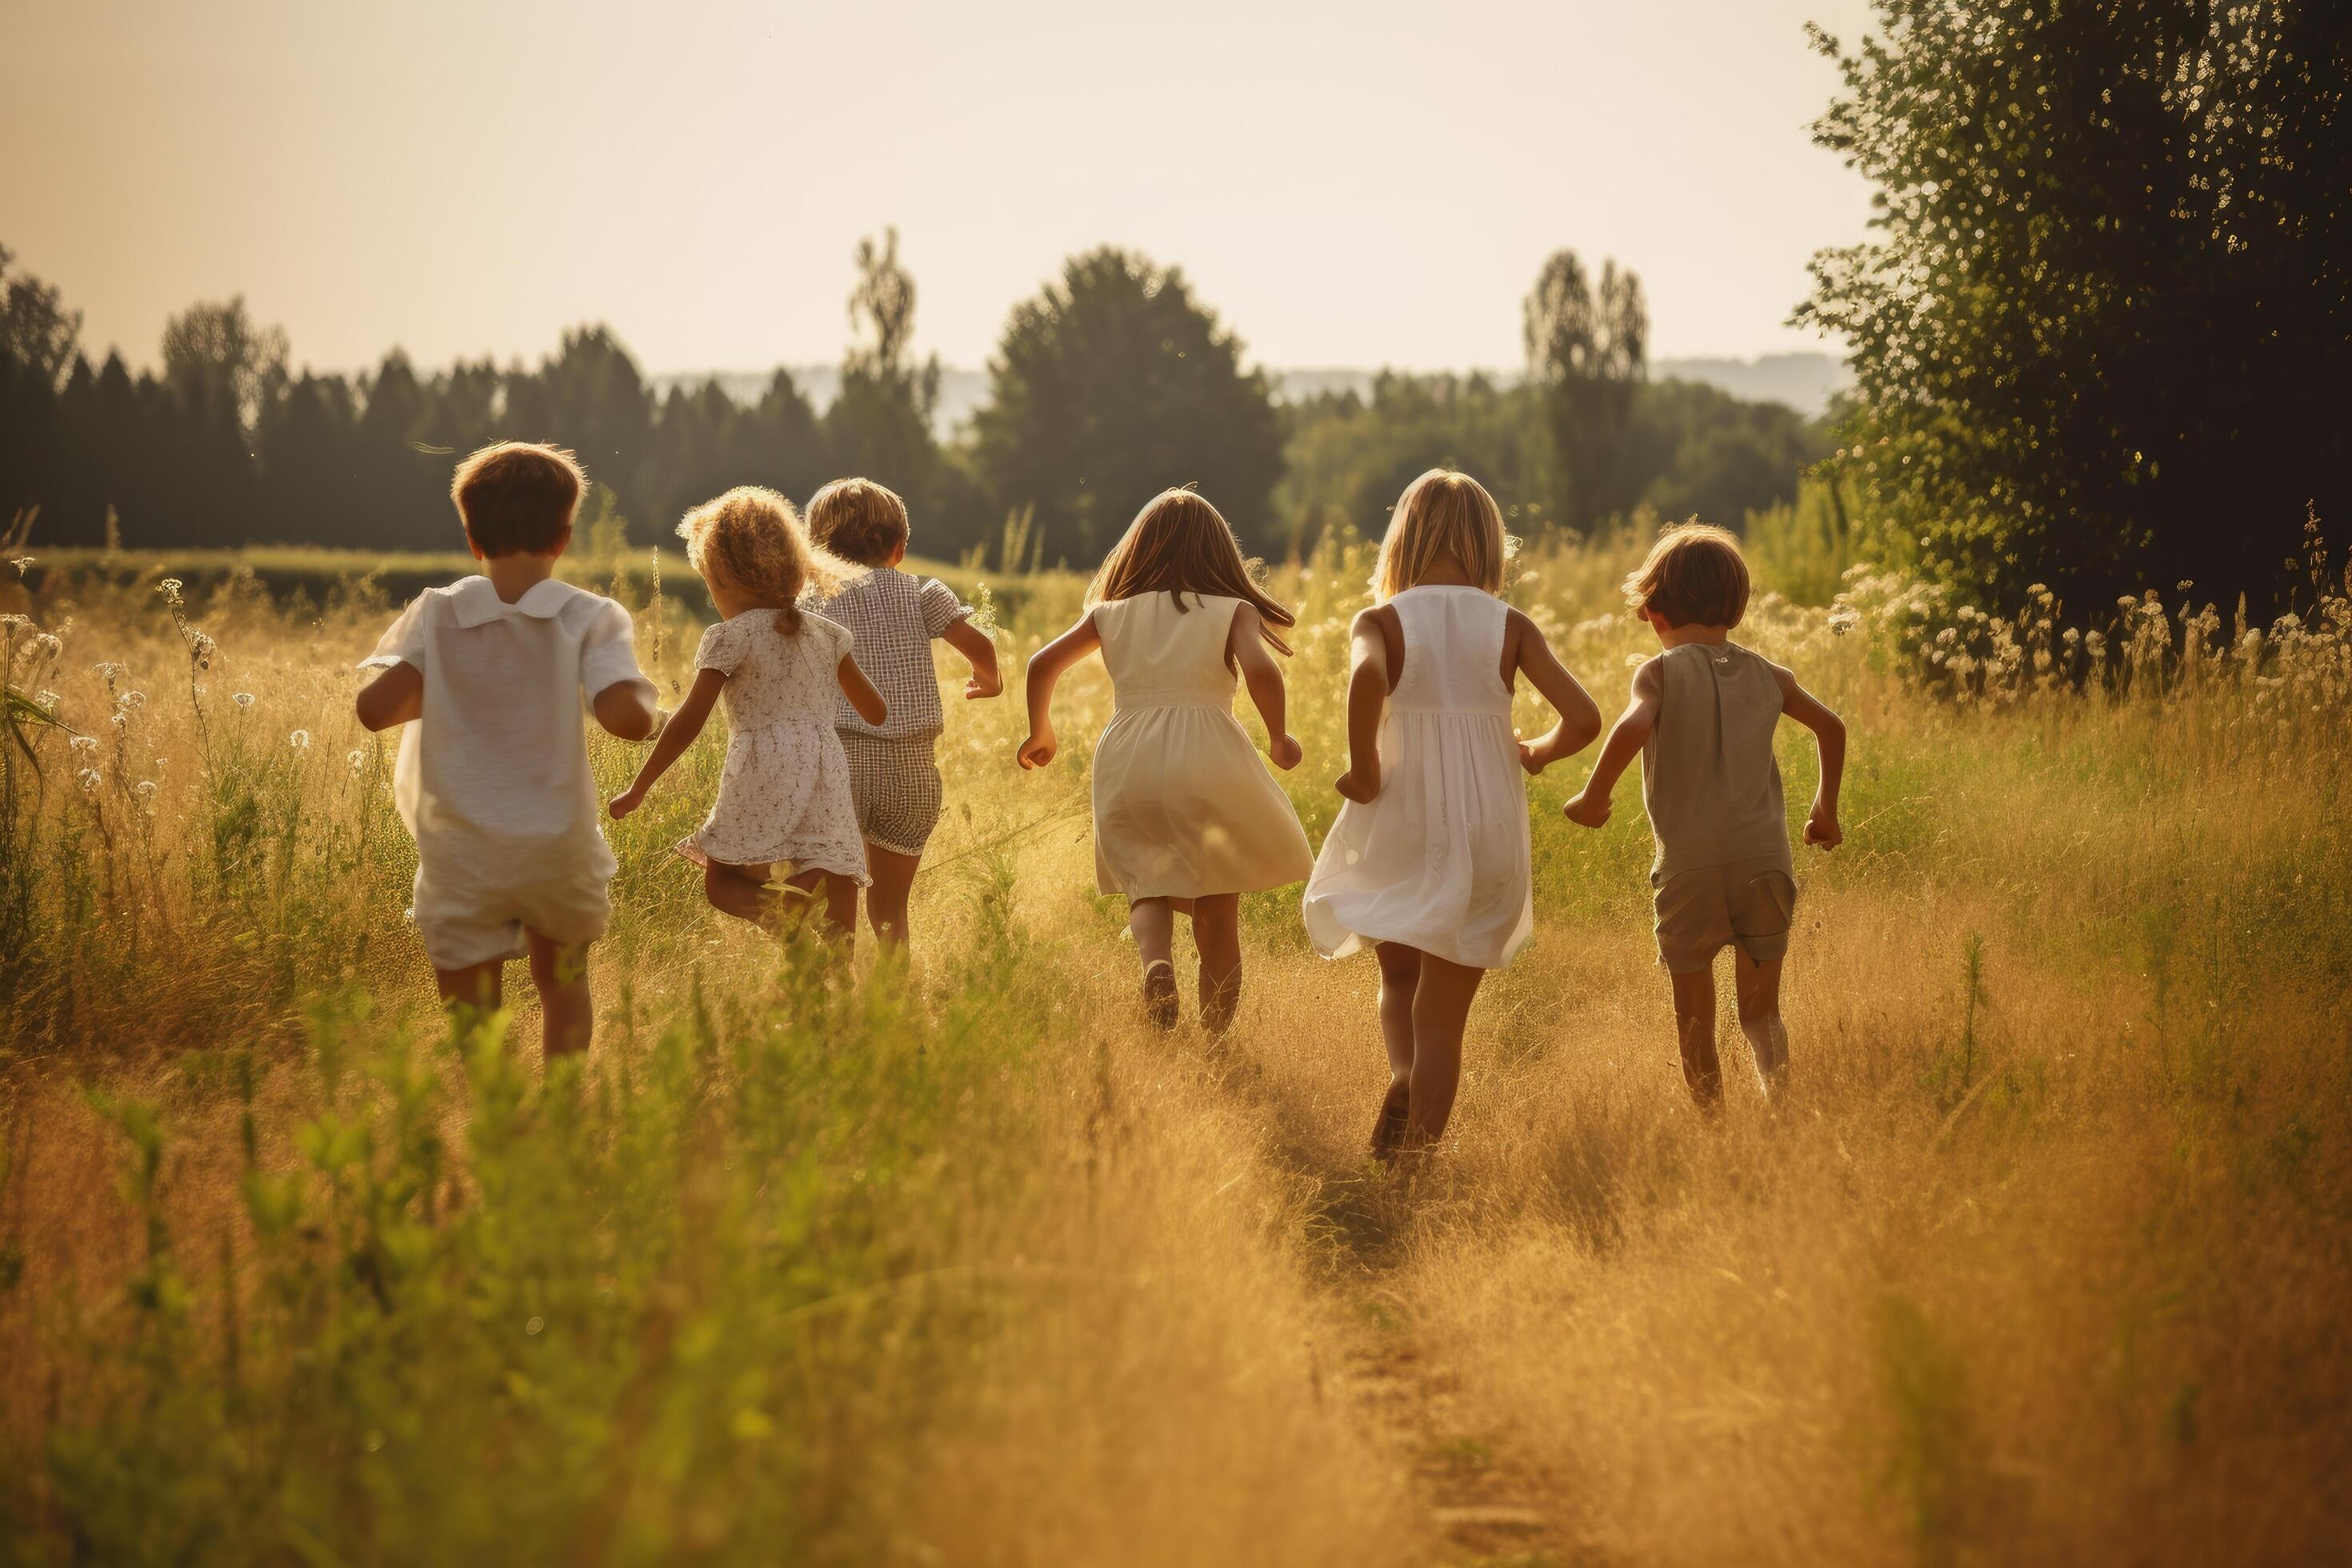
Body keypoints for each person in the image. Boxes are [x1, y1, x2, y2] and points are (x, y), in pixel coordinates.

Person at [1302, 469, 1601, 1157]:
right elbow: (1584, 718)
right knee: (1443, 1021)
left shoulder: (1380, 621)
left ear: (1401, 543)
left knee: (1399, 975)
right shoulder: (1510, 626)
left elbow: (1367, 678)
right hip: (1485, 826)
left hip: (1402, 817)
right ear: (1489, 548)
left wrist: (1368, 766)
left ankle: (1404, 1077)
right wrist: (1537, 754)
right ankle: (1416, 1170)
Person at [354, 441, 659, 1057]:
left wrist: (455, 687)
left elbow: (374, 710)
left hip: (463, 851)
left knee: (472, 1000)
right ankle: (563, 1106)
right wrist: (654, 716)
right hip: (556, 849)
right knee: (563, 983)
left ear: (472, 539)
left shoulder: (439, 613)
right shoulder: (587, 616)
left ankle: (495, 1114)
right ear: (564, 536)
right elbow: (625, 719)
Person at [1562, 522, 1846, 1110]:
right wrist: (1825, 808)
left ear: (1654, 612)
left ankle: (1714, 1130)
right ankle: (1781, 1112)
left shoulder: (1659, 673)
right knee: (1762, 1013)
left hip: (1688, 871)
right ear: (1736, 608)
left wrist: (1595, 796)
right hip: (1765, 864)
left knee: (1694, 1019)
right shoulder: (1770, 675)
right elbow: (1831, 727)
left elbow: (1635, 724)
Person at [1018, 487, 1312, 1033]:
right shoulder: (1233, 610)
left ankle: (1156, 963)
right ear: (1218, 554)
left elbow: (1042, 665)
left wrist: (1042, 732)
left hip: (1129, 756)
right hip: (1208, 755)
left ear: (1138, 550)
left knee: (1145, 881)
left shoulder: (1109, 614)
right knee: (1217, 909)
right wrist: (1279, 737)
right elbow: (1263, 672)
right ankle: (1216, 1043)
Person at [607, 486, 886, 942]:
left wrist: (639, 788)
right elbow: (876, 712)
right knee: (832, 872)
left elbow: (689, 721)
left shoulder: (730, 636)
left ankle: (790, 909)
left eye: (709, 583)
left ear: (723, 578)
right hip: (826, 765)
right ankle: (837, 986)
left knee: (723, 884)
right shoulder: (829, 634)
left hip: (761, 764)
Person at [800, 478, 1002, 951]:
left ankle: (836, 1006)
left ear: (816, 551)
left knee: (835, 912)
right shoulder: (921, 593)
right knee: (890, 913)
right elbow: (980, 646)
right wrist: (989, 680)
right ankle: (895, 1005)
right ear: (900, 548)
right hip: (910, 770)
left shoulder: (810, 601)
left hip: (839, 762)